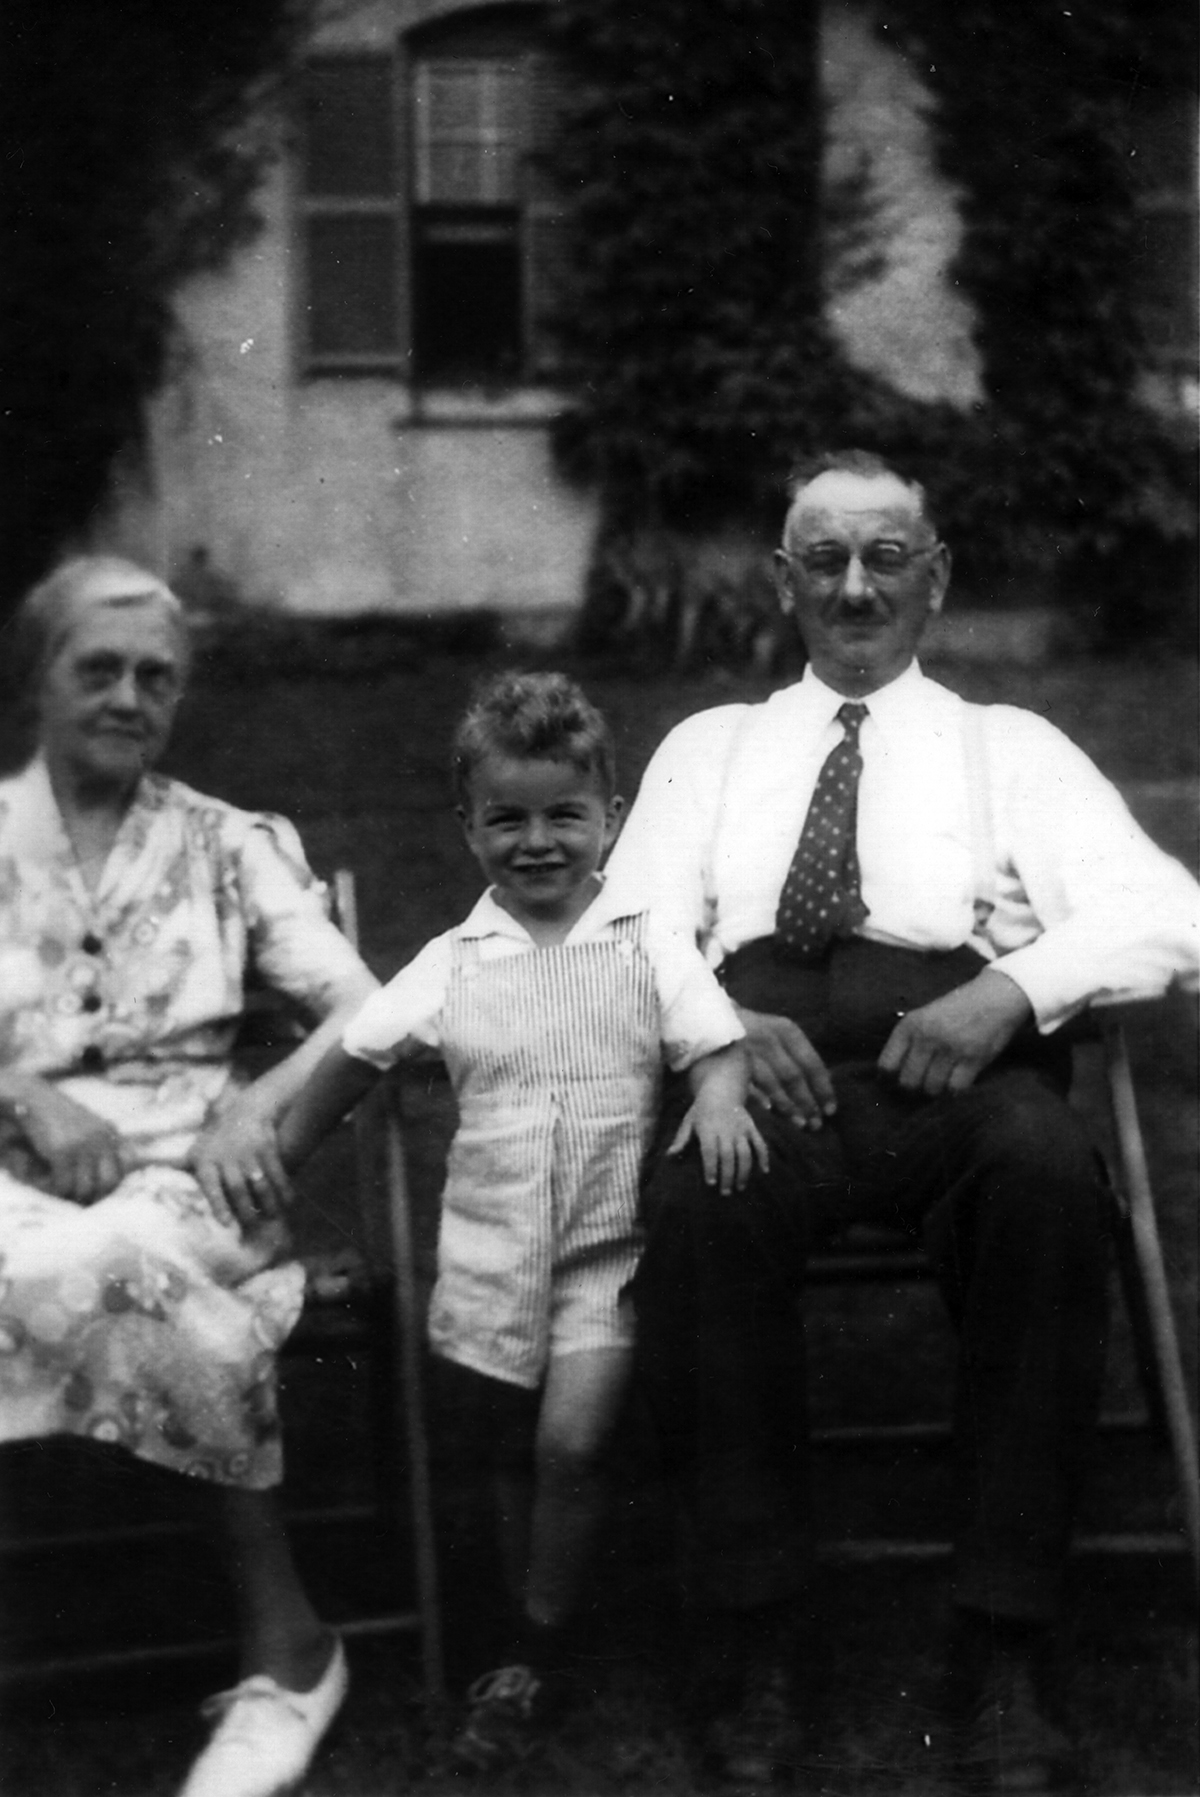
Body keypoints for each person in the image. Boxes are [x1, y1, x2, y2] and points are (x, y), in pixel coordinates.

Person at [604, 452, 1200, 1791]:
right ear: (783, 582)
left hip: (961, 1085)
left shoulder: (1008, 747)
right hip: (764, 1085)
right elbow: (627, 925)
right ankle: (762, 1627)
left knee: (1050, 1181)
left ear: (936, 578)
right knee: (697, 1206)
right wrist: (715, 1020)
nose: (857, 588)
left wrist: (1011, 992)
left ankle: (1003, 1633)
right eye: (825, 559)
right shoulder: (713, 747)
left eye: (887, 557)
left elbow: (1170, 911)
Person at [277, 670, 763, 1773]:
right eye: (507, 819)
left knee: (571, 1442)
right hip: (491, 1254)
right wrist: (285, 1150)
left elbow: (715, 1041)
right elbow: (354, 1057)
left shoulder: (647, 939)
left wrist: (722, 1099)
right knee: (504, 1449)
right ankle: (519, 1634)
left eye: (564, 815)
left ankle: (542, 1635)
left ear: (611, 818)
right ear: (468, 826)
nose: (537, 842)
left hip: (608, 1250)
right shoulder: (452, 963)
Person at [0, 557, 378, 1797]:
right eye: (99, 668)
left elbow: (369, 1011)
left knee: (116, 1264)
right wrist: (22, 1091)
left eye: (155, 677)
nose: (129, 696)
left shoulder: (225, 843)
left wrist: (258, 1106)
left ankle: (290, 1649)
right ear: (38, 678)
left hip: (181, 1181)